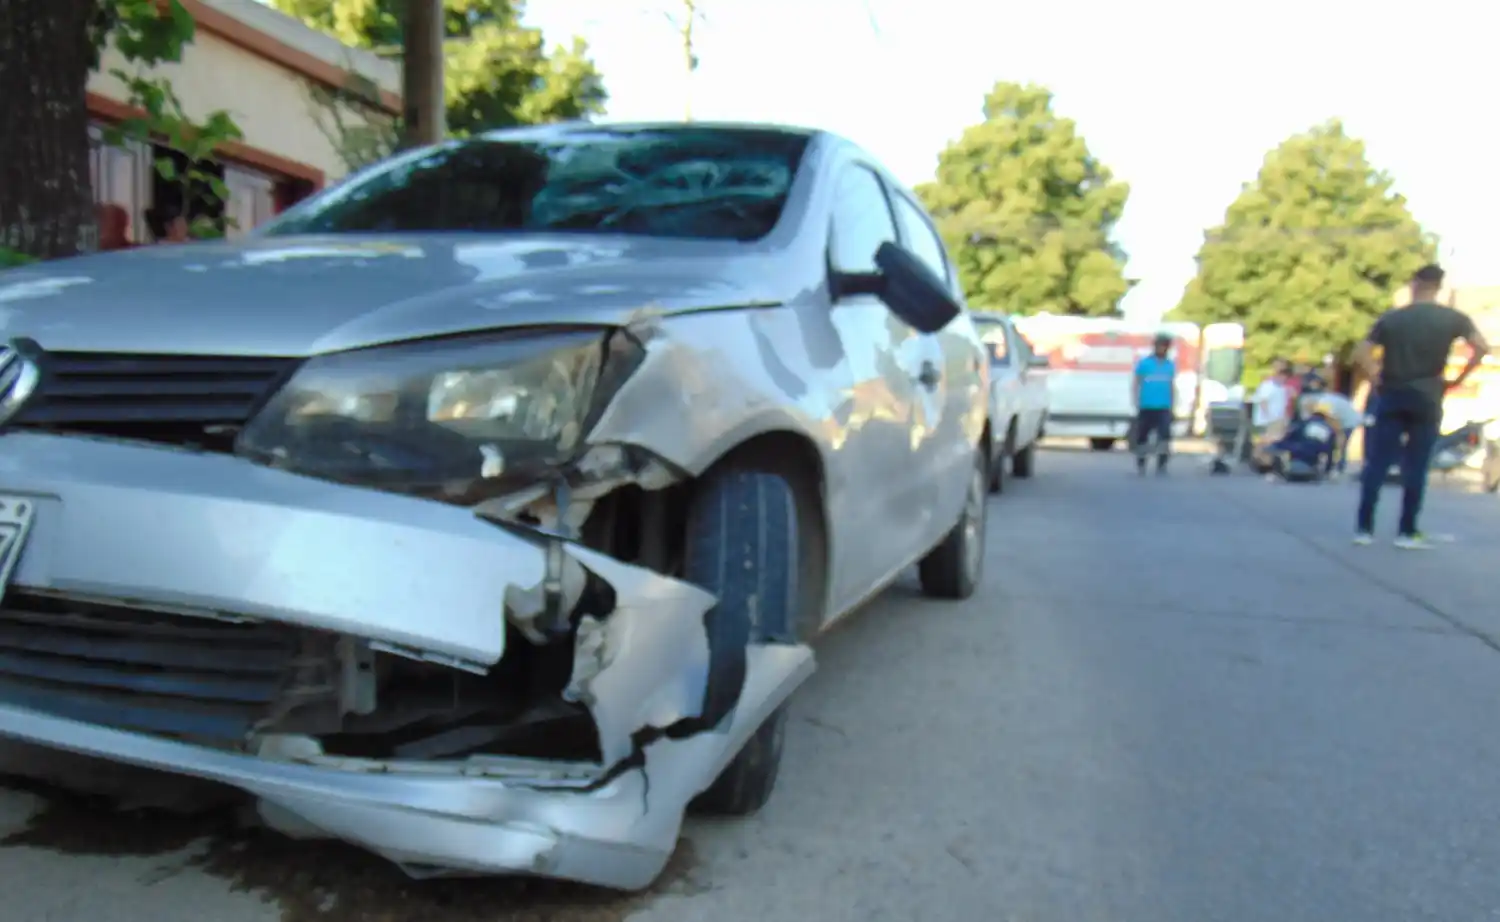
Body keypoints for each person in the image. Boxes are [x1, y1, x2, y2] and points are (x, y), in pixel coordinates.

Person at [1353, 264, 1489, 548]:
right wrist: (1458, 379)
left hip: (1392, 393)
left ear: (1414, 284)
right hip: (1428, 395)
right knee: (1417, 464)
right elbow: (1481, 347)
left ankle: (1364, 528)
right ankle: (1407, 531)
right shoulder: (1453, 318)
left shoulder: (1393, 318)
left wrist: (1376, 375)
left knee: (1378, 461)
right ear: (1438, 287)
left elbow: (1362, 350)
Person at [1131, 332, 1176, 475]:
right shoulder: (1144, 363)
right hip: (1146, 405)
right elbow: (1136, 382)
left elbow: (1171, 385)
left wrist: (1173, 404)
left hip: (1164, 406)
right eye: (1160, 346)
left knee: (1164, 436)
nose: (1162, 349)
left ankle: (1161, 464)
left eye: (1165, 346)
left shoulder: (1170, 365)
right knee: (1142, 436)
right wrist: (1136, 400)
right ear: (1155, 347)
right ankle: (1141, 463)